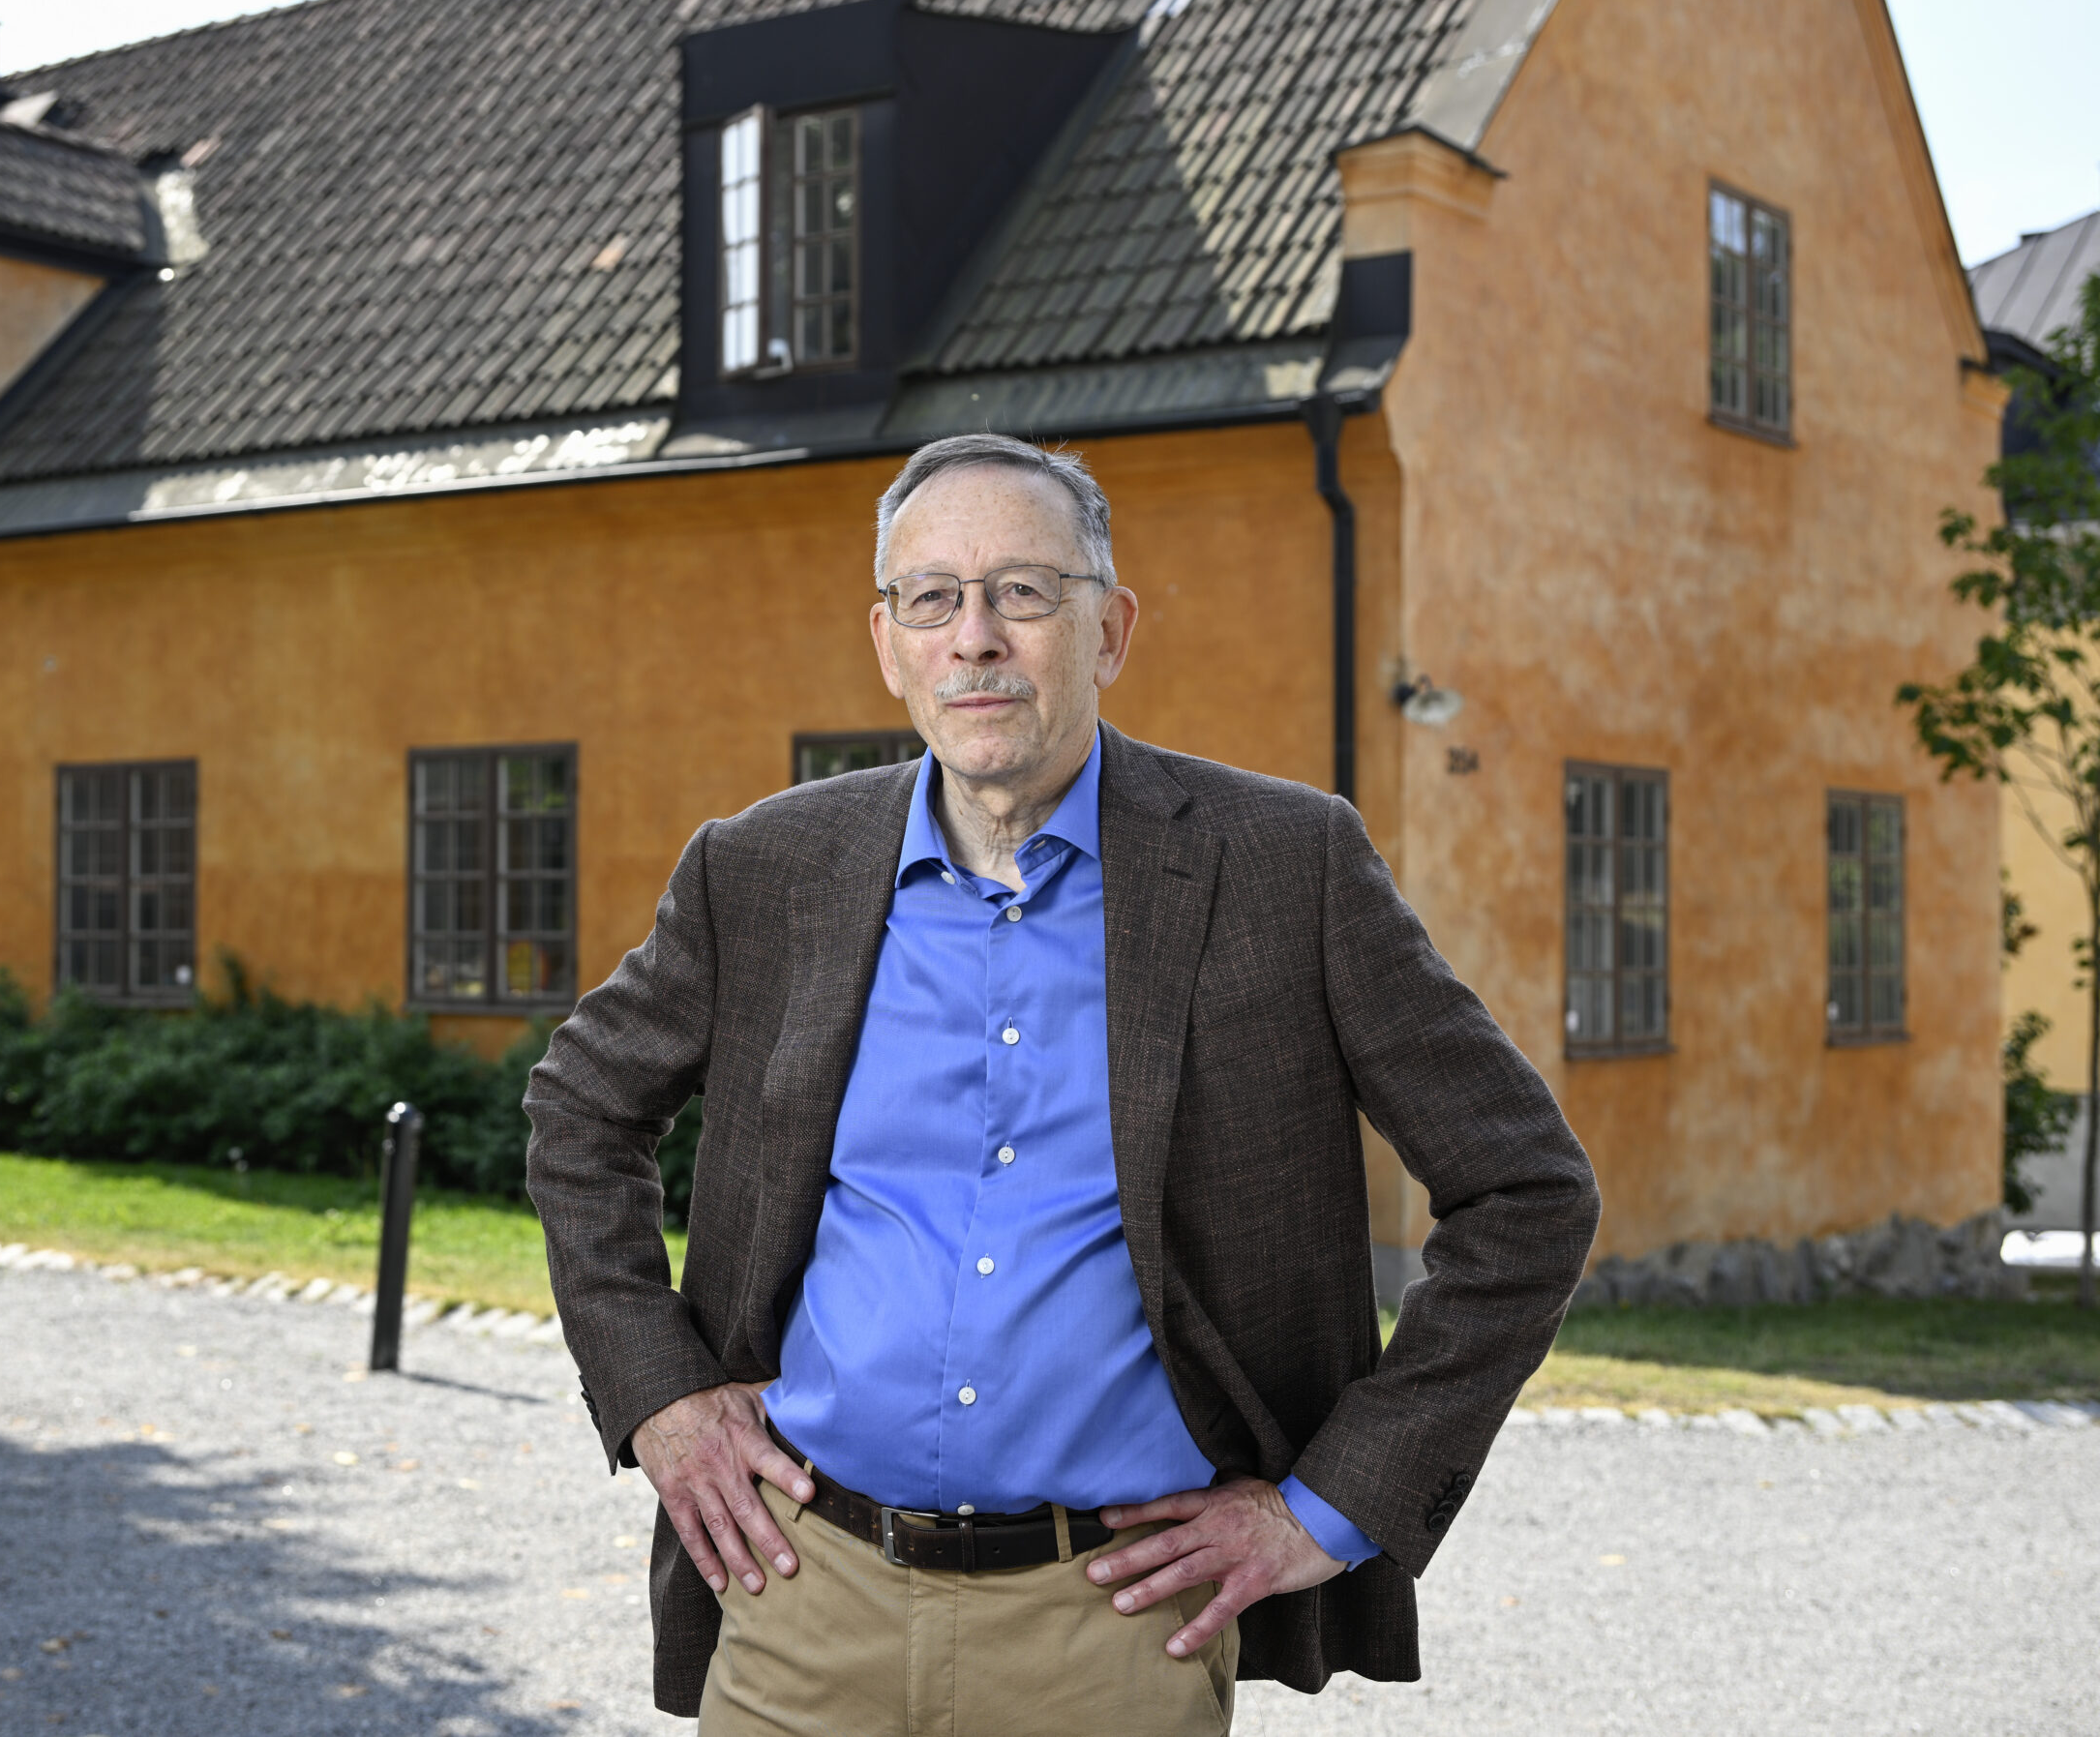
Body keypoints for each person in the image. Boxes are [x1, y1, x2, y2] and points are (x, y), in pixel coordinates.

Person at [525, 433, 1600, 1734]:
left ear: (1108, 630)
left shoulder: (1284, 868)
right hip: (803, 1598)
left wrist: (1327, 1507)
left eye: (1024, 592)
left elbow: (1528, 1191)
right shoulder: (764, 870)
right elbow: (581, 1106)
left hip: (1112, 1633)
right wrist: (659, 1398)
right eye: (934, 597)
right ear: (890, 642)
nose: (975, 636)